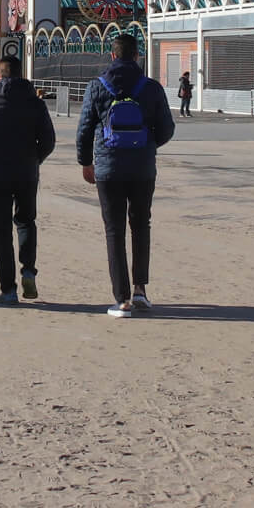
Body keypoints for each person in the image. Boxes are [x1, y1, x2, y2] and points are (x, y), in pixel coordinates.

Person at [75, 34, 177, 318]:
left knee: (114, 230)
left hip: (108, 169)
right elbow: (167, 129)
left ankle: (121, 300)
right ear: (137, 56)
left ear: (112, 56)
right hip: (143, 168)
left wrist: (86, 163)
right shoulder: (152, 88)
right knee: (141, 225)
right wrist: (147, 145)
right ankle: (140, 290)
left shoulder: (98, 86)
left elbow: (84, 129)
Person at [0, 54, 56, 304]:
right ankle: (28, 269)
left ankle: (8, 289)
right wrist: (35, 159)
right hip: (27, 173)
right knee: (27, 222)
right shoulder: (35, 103)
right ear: (21, 74)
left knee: (2, 231)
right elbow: (48, 141)